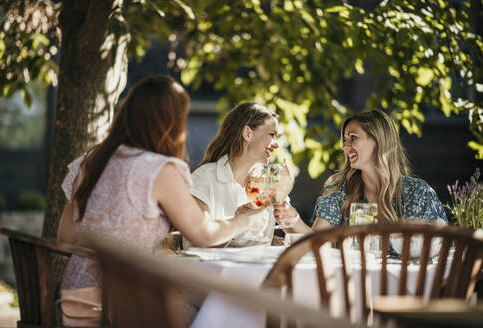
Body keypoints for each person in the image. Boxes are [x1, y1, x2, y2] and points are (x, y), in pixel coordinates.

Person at [57, 76, 267, 299]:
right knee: (225, 306)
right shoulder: (159, 169)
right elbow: (203, 235)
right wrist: (245, 221)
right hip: (122, 305)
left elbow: (65, 237)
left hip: (73, 296)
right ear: (170, 123)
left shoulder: (91, 160)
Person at [276, 108, 447, 233]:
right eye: (344, 140)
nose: (344, 146)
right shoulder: (340, 190)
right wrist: (292, 220)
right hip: (354, 279)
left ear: (378, 140)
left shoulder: (417, 193)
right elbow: (317, 240)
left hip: (407, 280)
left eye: (353, 138)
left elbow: (438, 247)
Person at [189, 102, 299, 247]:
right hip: (215, 269)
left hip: (261, 268)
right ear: (248, 133)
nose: (276, 144)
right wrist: (239, 223)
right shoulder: (205, 178)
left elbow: (305, 236)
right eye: (271, 134)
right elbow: (196, 243)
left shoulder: (270, 181)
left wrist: (294, 219)